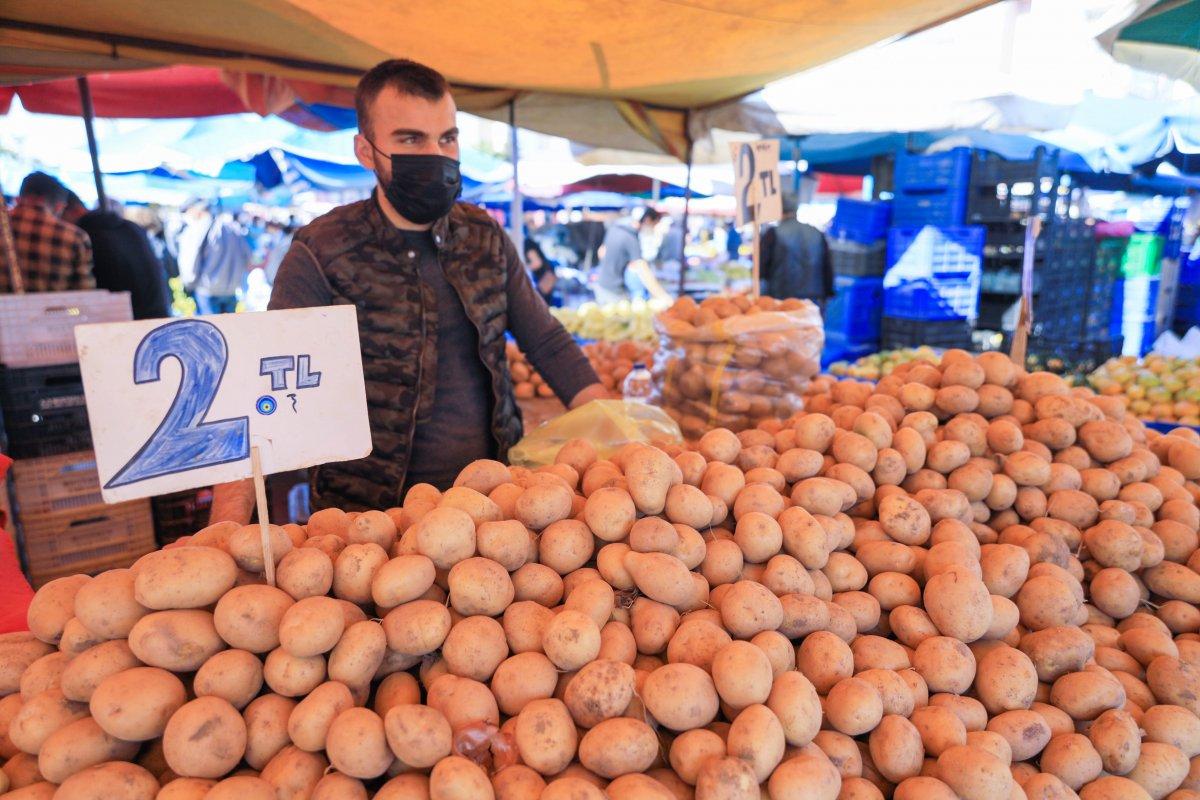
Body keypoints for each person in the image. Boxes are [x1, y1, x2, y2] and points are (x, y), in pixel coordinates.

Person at [209, 58, 606, 522]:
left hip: (491, 506)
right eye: (411, 139)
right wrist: (224, 525)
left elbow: (547, 341)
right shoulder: (323, 249)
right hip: (366, 517)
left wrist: (620, 431)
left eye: (447, 138)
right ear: (365, 150)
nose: (435, 154)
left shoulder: (485, 238)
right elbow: (265, 382)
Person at [62, 194, 171, 320]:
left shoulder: (83, 236)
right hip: (157, 315)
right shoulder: (131, 227)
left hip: (122, 321)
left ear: (71, 210)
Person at [0, 172, 94, 293]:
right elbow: (84, 294)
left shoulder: (4, 224)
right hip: (52, 310)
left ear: (19, 197)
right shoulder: (75, 237)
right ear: (59, 207)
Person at [175, 200, 251, 315]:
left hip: (207, 291)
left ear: (196, 211)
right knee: (228, 330)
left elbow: (190, 262)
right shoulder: (232, 228)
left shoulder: (198, 228)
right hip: (230, 290)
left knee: (208, 331)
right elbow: (248, 256)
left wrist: (188, 283)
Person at [759, 190, 832, 308]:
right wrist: (828, 293)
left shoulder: (773, 233)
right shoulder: (817, 233)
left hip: (782, 298)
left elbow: (761, 269)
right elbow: (827, 268)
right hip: (813, 298)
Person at [594, 207, 671, 304]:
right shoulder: (630, 238)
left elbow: (601, 252)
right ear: (648, 220)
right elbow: (643, 270)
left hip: (601, 285)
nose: (653, 229)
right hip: (614, 291)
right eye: (654, 225)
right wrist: (663, 297)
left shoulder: (614, 228)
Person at [524, 239, 559, 307]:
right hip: (547, 275)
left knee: (541, 305)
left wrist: (522, 267)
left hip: (546, 276)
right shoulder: (528, 241)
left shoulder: (526, 243)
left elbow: (537, 263)